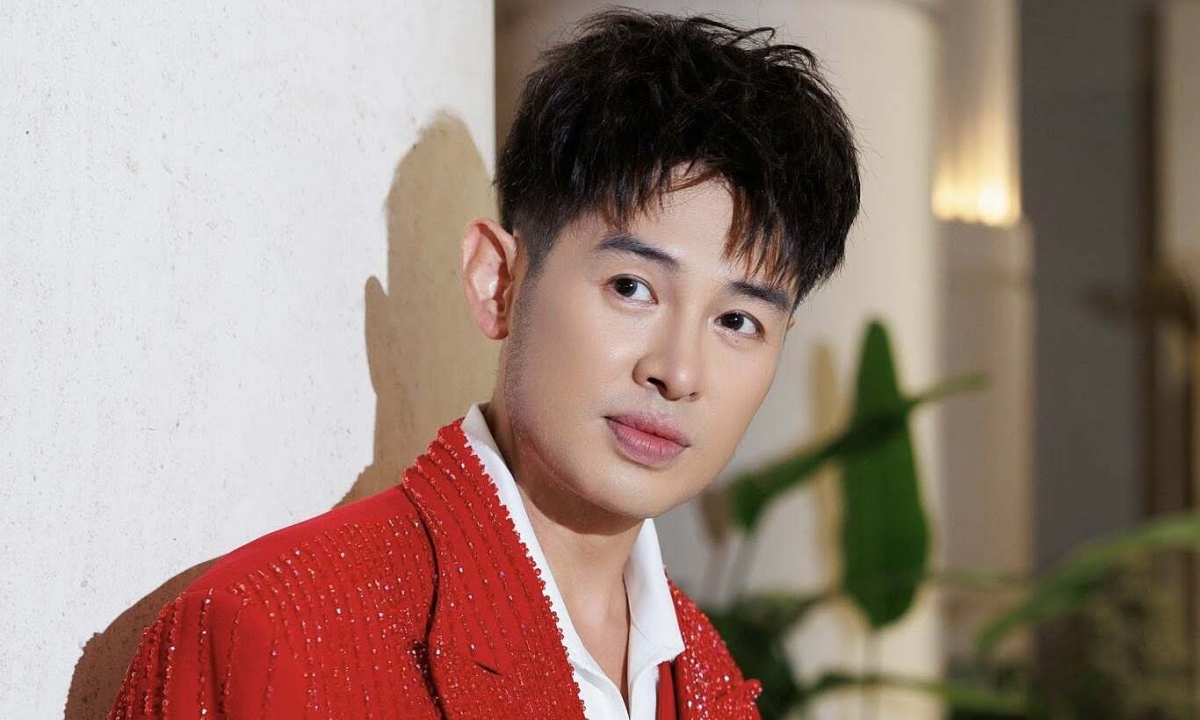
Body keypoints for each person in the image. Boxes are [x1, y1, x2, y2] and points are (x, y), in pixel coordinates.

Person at [107, 7, 860, 720]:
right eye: (632, 288)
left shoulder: (710, 682)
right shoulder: (269, 633)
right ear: (498, 281)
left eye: (737, 321)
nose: (679, 373)